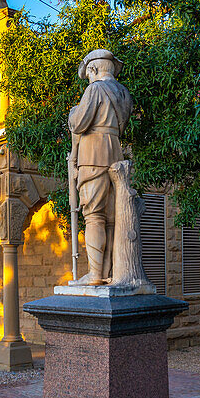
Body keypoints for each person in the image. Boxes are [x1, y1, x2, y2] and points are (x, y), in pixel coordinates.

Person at [68, 49, 133, 285]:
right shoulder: (123, 93)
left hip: (93, 153)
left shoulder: (94, 89)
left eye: (88, 74)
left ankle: (95, 274)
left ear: (93, 69)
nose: (88, 78)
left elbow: (79, 123)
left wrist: (73, 114)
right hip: (115, 152)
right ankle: (111, 272)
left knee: (94, 215)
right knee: (112, 217)